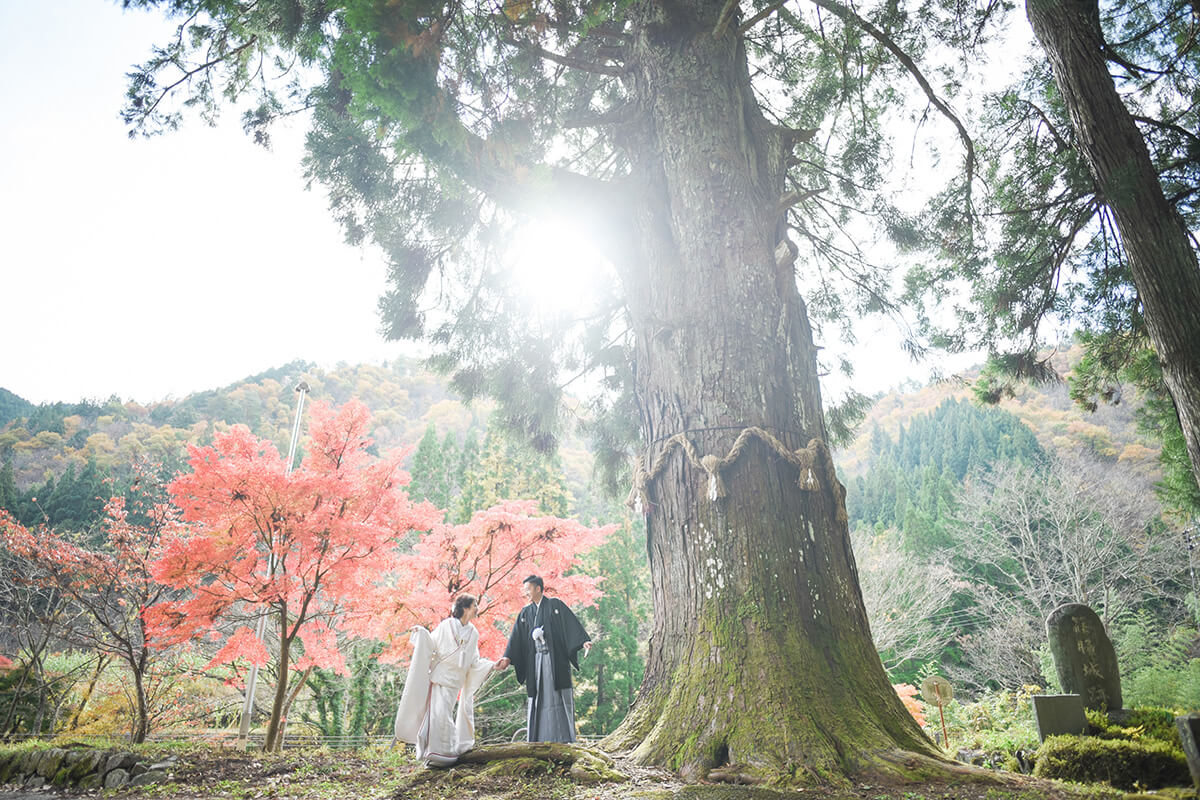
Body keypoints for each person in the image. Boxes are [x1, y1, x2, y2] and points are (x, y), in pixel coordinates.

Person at [393, 595, 499, 766]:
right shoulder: (445, 626)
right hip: (440, 677)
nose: (477, 608)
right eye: (475, 605)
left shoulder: (474, 633)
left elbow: (475, 661)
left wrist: (493, 665)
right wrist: (421, 632)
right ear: (464, 608)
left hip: (455, 681)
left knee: (442, 714)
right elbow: (431, 644)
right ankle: (440, 755)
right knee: (438, 715)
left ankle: (438, 754)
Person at [495, 575, 591, 743]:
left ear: (538, 588)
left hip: (555, 662)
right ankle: (538, 739)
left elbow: (570, 625)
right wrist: (507, 658)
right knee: (538, 697)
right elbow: (516, 638)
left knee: (557, 697)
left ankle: (563, 739)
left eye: (528, 589)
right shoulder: (525, 612)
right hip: (535, 663)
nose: (526, 593)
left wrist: (583, 641)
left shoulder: (555, 605)